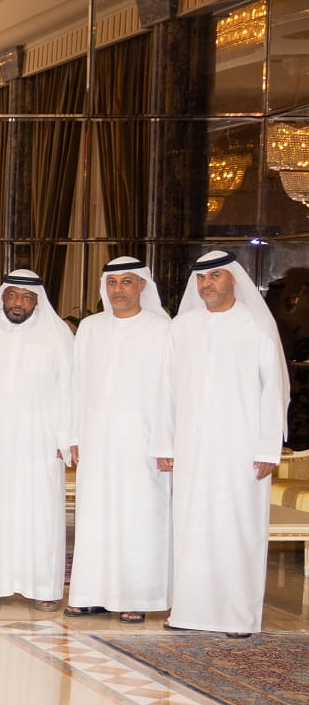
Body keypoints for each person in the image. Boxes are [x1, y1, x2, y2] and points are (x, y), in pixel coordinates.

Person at [164, 250, 288, 637]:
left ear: (234, 279)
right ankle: (186, 612)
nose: (207, 285)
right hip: (190, 448)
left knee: (237, 529)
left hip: (240, 450)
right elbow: (165, 391)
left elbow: (275, 391)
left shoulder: (255, 326)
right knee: (190, 526)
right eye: (201, 278)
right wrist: (164, 444)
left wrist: (268, 448)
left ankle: (237, 616)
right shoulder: (182, 328)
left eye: (215, 277)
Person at [0, 270, 75, 610]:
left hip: (39, 441)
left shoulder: (57, 336)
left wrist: (64, 438)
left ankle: (41, 588)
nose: (17, 303)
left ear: (37, 300)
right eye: (12, 296)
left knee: (39, 512)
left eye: (25, 297)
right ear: (1, 297)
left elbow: (69, 390)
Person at [66, 257, 174, 624]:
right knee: (95, 516)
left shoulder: (162, 329)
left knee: (140, 517)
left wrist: (165, 443)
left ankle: (136, 595)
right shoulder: (91, 328)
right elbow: (75, 385)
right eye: (112, 283)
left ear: (143, 285)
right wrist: (74, 435)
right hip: (97, 440)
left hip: (143, 442)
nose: (118, 290)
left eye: (127, 282)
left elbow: (170, 392)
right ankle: (90, 593)